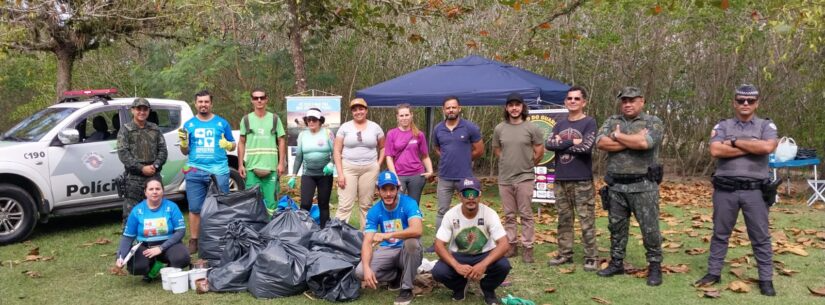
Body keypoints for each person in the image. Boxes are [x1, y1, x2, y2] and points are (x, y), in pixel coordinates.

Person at [694, 84, 778, 296]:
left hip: (756, 191)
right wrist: (750, 145)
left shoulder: (766, 126)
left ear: (757, 103)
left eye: (750, 101)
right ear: (734, 102)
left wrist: (732, 143)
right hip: (725, 190)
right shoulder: (722, 125)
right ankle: (714, 272)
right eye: (741, 100)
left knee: (760, 236)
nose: (745, 104)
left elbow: (767, 147)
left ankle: (766, 278)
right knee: (720, 233)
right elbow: (715, 150)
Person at [595, 87, 664, 286]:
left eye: (632, 100)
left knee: (650, 229)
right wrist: (630, 140)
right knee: (616, 228)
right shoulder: (612, 121)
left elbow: (645, 143)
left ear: (641, 101)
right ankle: (617, 263)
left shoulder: (653, 122)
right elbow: (601, 143)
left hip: (643, 186)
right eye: (624, 100)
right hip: (616, 187)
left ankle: (654, 266)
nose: (627, 104)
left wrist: (617, 137)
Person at [432, 177, 511, 305]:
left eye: (474, 193)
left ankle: (487, 289)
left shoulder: (490, 213)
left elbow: (504, 244)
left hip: (484, 254)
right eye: (466, 194)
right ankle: (460, 286)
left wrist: (483, 264)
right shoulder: (450, 215)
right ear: (460, 196)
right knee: (438, 272)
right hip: (459, 256)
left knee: (503, 265)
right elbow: (438, 245)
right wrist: (456, 265)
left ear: (479, 195)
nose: (470, 198)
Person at [545, 86, 599, 271]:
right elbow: (549, 143)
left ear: (584, 102)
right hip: (561, 179)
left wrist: (562, 143)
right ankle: (564, 254)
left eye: (577, 98)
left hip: (582, 179)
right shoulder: (560, 124)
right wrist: (572, 142)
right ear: (565, 102)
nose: (573, 101)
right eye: (570, 98)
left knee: (586, 220)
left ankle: (591, 256)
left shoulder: (589, 123)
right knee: (564, 219)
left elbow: (586, 148)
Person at [178, 90, 236, 254]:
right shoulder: (189, 125)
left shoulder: (222, 123)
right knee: (195, 208)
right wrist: (183, 143)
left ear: (211, 103)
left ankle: (220, 239)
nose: (203, 104)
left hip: (219, 171)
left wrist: (228, 145)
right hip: (195, 171)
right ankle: (194, 241)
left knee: (220, 207)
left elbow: (233, 144)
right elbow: (185, 151)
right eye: (200, 102)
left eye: (206, 102)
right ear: (195, 104)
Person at [355, 170, 423, 305]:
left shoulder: (409, 203)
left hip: (407, 251)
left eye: (392, 189)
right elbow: (367, 242)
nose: (388, 194)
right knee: (360, 272)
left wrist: (388, 235)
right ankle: (396, 276)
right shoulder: (374, 211)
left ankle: (406, 288)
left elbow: (417, 230)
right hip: (388, 250)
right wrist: (367, 269)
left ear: (397, 189)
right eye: (384, 189)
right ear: (378, 190)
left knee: (412, 243)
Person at [491, 92, 543, 263]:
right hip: (505, 178)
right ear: (506, 108)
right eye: (511, 105)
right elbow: (498, 150)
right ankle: (511, 244)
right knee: (509, 215)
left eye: (517, 105)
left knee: (526, 214)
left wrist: (527, 164)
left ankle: (528, 247)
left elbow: (539, 151)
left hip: (525, 177)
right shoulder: (500, 128)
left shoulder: (531, 128)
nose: (514, 108)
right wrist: (507, 161)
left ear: (522, 107)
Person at [430, 96, 483, 252]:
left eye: (454, 107)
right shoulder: (438, 128)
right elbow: (437, 148)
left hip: (464, 177)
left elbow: (479, 150)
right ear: (443, 110)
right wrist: (448, 158)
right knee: (441, 211)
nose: (451, 110)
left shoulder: (470, 127)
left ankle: (470, 243)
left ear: (459, 108)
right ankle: (439, 244)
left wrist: (465, 158)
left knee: (469, 210)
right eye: (448, 108)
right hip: (445, 176)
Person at [115, 177, 190, 280]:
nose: (154, 192)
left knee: (182, 258)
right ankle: (150, 269)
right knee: (136, 267)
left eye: (158, 189)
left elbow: (181, 231)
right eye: (151, 189)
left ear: (162, 191)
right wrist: (121, 257)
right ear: (145, 192)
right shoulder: (137, 210)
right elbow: (128, 237)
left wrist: (161, 248)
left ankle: (169, 269)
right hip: (145, 247)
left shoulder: (172, 207)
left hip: (168, 245)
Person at [334, 98, 385, 229]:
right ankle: (336, 237)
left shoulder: (375, 127)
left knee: (366, 205)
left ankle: (366, 238)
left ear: (366, 110)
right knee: (345, 205)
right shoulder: (345, 127)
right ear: (352, 112)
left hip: (369, 169)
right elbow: (337, 150)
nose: (358, 112)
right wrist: (340, 173)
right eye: (355, 110)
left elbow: (383, 147)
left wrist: (378, 164)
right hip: (348, 168)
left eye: (361, 109)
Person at [116, 98, 167, 224]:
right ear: (133, 110)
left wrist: (155, 166)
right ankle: (130, 243)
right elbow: (123, 153)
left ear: (148, 111)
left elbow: (163, 150)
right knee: (131, 215)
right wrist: (141, 168)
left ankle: (157, 241)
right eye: (139, 109)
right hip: (134, 178)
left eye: (145, 109)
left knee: (157, 211)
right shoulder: (125, 130)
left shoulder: (155, 129)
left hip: (154, 176)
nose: (142, 112)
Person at [237, 88, 286, 215]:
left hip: (271, 168)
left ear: (266, 99)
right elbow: (241, 142)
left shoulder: (275, 119)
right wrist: (240, 164)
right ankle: (253, 231)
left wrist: (281, 163)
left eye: (262, 97)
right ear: (251, 101)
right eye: (256, 98)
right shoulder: (246, 119)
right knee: (251, 202)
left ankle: (270, 231)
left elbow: (281, 140)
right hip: (252, 168)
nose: (259, 100)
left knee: (271, 204)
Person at [290, 108, 335, 228]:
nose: (311, 122)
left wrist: (331, 163)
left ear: (320, 121)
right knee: (305, 203)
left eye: (314, 119)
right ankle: (303, 230)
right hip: (308, 174)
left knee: (323, 204)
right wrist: (294, 175)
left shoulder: (327, 133)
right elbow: (299, 156)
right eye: (308, 119)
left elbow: (336, 152)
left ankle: (324, 231)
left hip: (325, 175)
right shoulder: (302, 135)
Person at [385, 103, 434, 205]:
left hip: (416, 174)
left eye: (407, 115)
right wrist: (394, 177)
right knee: (397, 204)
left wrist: (430, 171)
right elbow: (388, 157)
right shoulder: (391, 134)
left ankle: (413, 221)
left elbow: (425, 156)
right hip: (399, 174)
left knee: (413, 205)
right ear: (397, 117)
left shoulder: (419, 134)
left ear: (411, 115)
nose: (404, 118)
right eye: (401, 115)